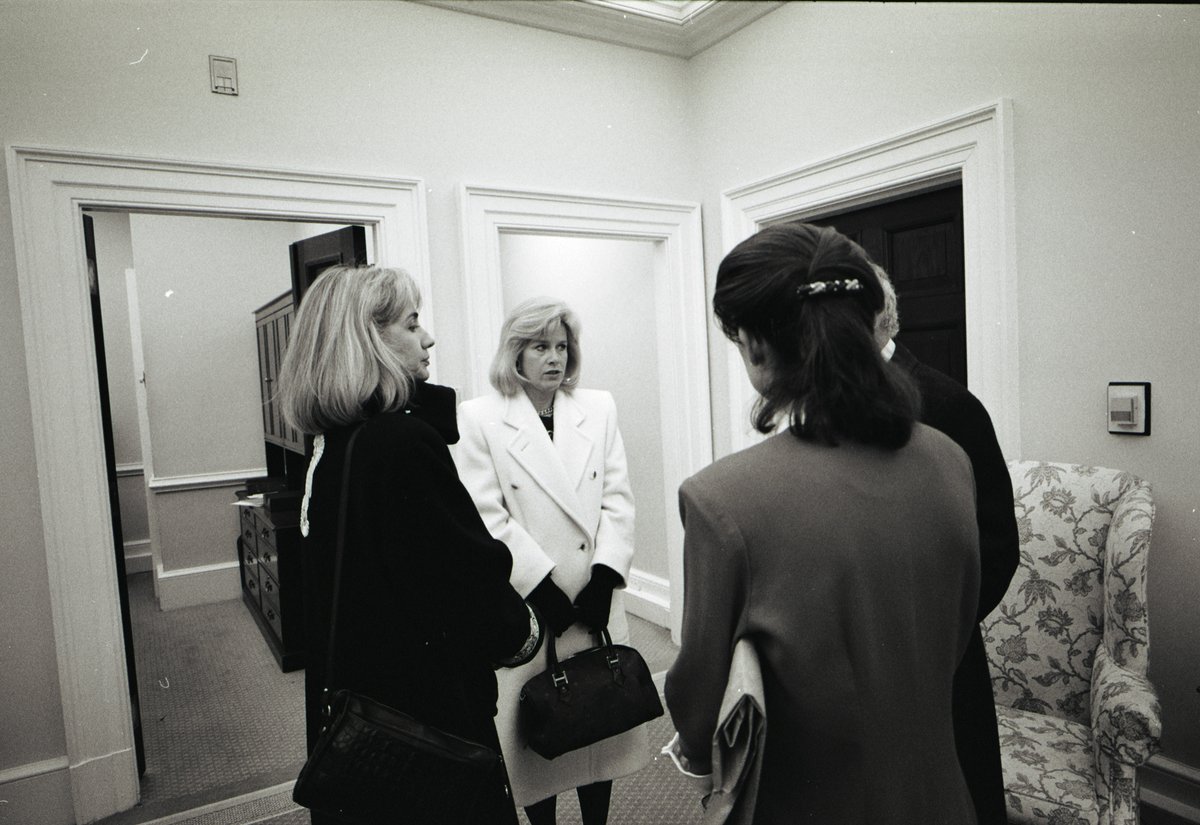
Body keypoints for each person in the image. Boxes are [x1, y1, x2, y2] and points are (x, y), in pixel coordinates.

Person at [664, 222, 982, 824]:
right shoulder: (949, 459)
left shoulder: (720, 500)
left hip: (812, 803)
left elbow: (700, 706)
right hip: (940, 794)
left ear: (756, 346)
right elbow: (954, 629)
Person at [276, 264, 540, 825]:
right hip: (426, 721)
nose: (428, 338)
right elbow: (469, 579)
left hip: (365, 721)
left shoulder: (334, 445)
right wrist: (525, 630)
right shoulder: (399, 442)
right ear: (368, 339)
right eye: (412, 322)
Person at [454, 297, 647, 825]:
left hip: (594, 598)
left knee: (600, 726)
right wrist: (540, 589)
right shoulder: (479, 418)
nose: (554, 358)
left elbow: (617, 498)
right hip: (533, 607)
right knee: (539, 735)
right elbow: (487, 516)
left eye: (561, 346)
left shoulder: (599, 407)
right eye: (540, 346)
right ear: (515, 351)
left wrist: (606, 577)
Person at [873, 263, 1019, 825]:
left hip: (939, 654)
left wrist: (931, 626)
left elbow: (999, 544)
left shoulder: (949, 406)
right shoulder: (834, 405)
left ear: (878, 320)